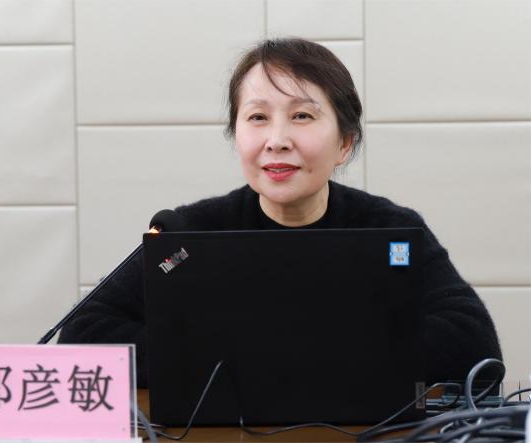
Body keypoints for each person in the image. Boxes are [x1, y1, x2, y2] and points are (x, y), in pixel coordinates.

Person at [59, 38, 502, 387]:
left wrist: (278, 353)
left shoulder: (392, 228)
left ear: (345, 142)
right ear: (236, 135)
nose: (277, 140)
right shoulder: (188, 233)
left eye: (302, 116)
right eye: (257, 118)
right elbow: (82, 337)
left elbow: (474, 346)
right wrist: (236, 355)